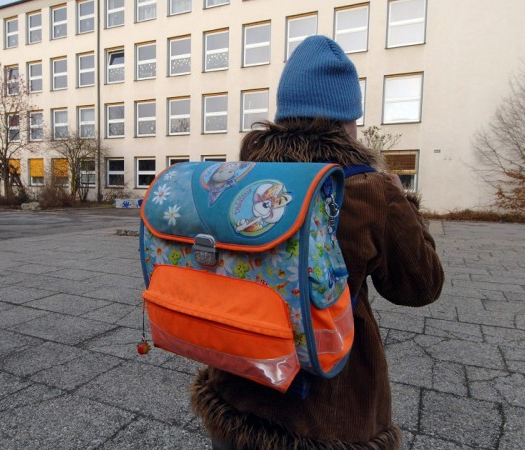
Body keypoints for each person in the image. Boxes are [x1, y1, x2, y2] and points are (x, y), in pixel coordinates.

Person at [190, 35, 444, 450]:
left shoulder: (244, 178)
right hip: (327, 411)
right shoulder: (369, 190)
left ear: (284, 112)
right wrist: (405, 206)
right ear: (348, 118)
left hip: (237, 384)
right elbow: (420, 287)